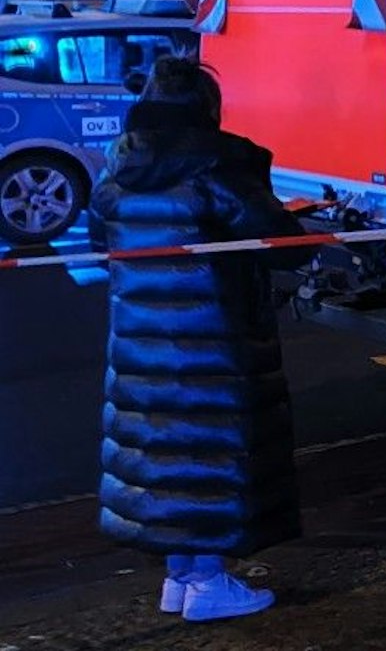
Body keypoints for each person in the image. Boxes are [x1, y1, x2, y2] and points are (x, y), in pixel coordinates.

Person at [89, 57, 312, 622]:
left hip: (139, 345)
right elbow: (281, 243)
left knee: (167, 454)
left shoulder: (117, 169)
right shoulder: (216, 166)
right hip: (212, 345)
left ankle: (182, 575)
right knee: (206, 450)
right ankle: (209, 583)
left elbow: (101, 237)